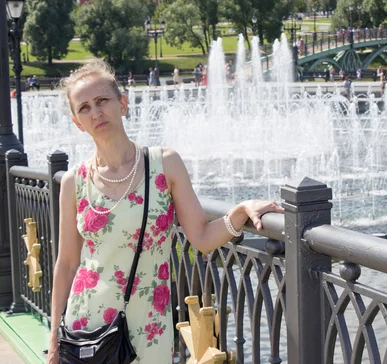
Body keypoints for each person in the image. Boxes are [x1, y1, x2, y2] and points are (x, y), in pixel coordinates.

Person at [46, 60, 283, 363]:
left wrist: (241, 211)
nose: (95, 112)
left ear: (122, 103)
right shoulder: (73, 181)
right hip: (88, 324)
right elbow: (66, 264)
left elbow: (201, 236)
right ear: (77, 122)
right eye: (84, 108)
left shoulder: (164, 164)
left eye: (103, 101)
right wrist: (54, 337)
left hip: (149, 323)